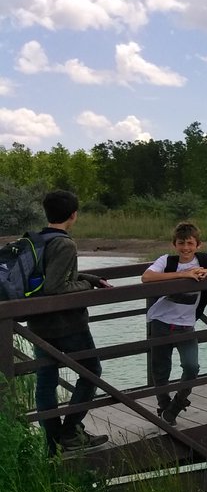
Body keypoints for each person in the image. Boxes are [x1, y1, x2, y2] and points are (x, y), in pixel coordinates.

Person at [27, 190, 112, 455]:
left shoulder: (36, 239)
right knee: (91, 372)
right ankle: (70, 432)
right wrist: (87, 284)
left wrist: (90, 277)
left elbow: (48, 276)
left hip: (38, 323)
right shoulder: (65, 244)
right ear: (74, 215)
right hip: (67, 324)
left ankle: (52, 443)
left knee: (46, 380)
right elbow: (55, 286)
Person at [144, 222, 207, 417]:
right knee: (161, 368)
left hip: (186, 325)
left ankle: (177, 404)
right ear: (174, 244)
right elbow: (146, 277)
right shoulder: (167, 261)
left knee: (191, 366)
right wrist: (183, 275)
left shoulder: (204, 260)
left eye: (190, 243)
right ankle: (164, 406)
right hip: (160, 322)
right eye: (181, 243)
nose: (186, 248)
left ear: (198, 245)